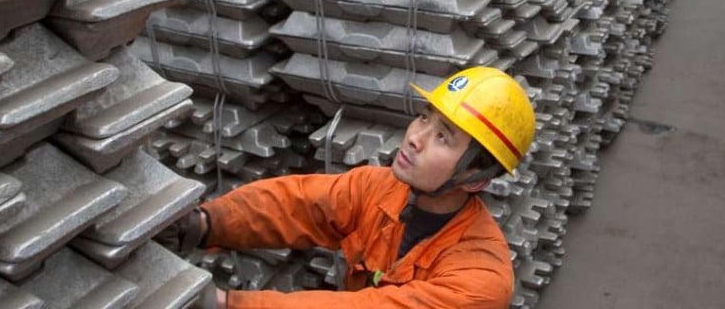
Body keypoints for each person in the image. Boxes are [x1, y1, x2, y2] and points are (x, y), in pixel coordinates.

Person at [166, 66, 537, 308]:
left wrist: (226, 305)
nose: (414, 139)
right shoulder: (379, 189)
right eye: (424, 118)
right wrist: (204, 223)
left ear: (477, 179)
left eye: (443, 137)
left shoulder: (481, 280)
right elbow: (296, 204)